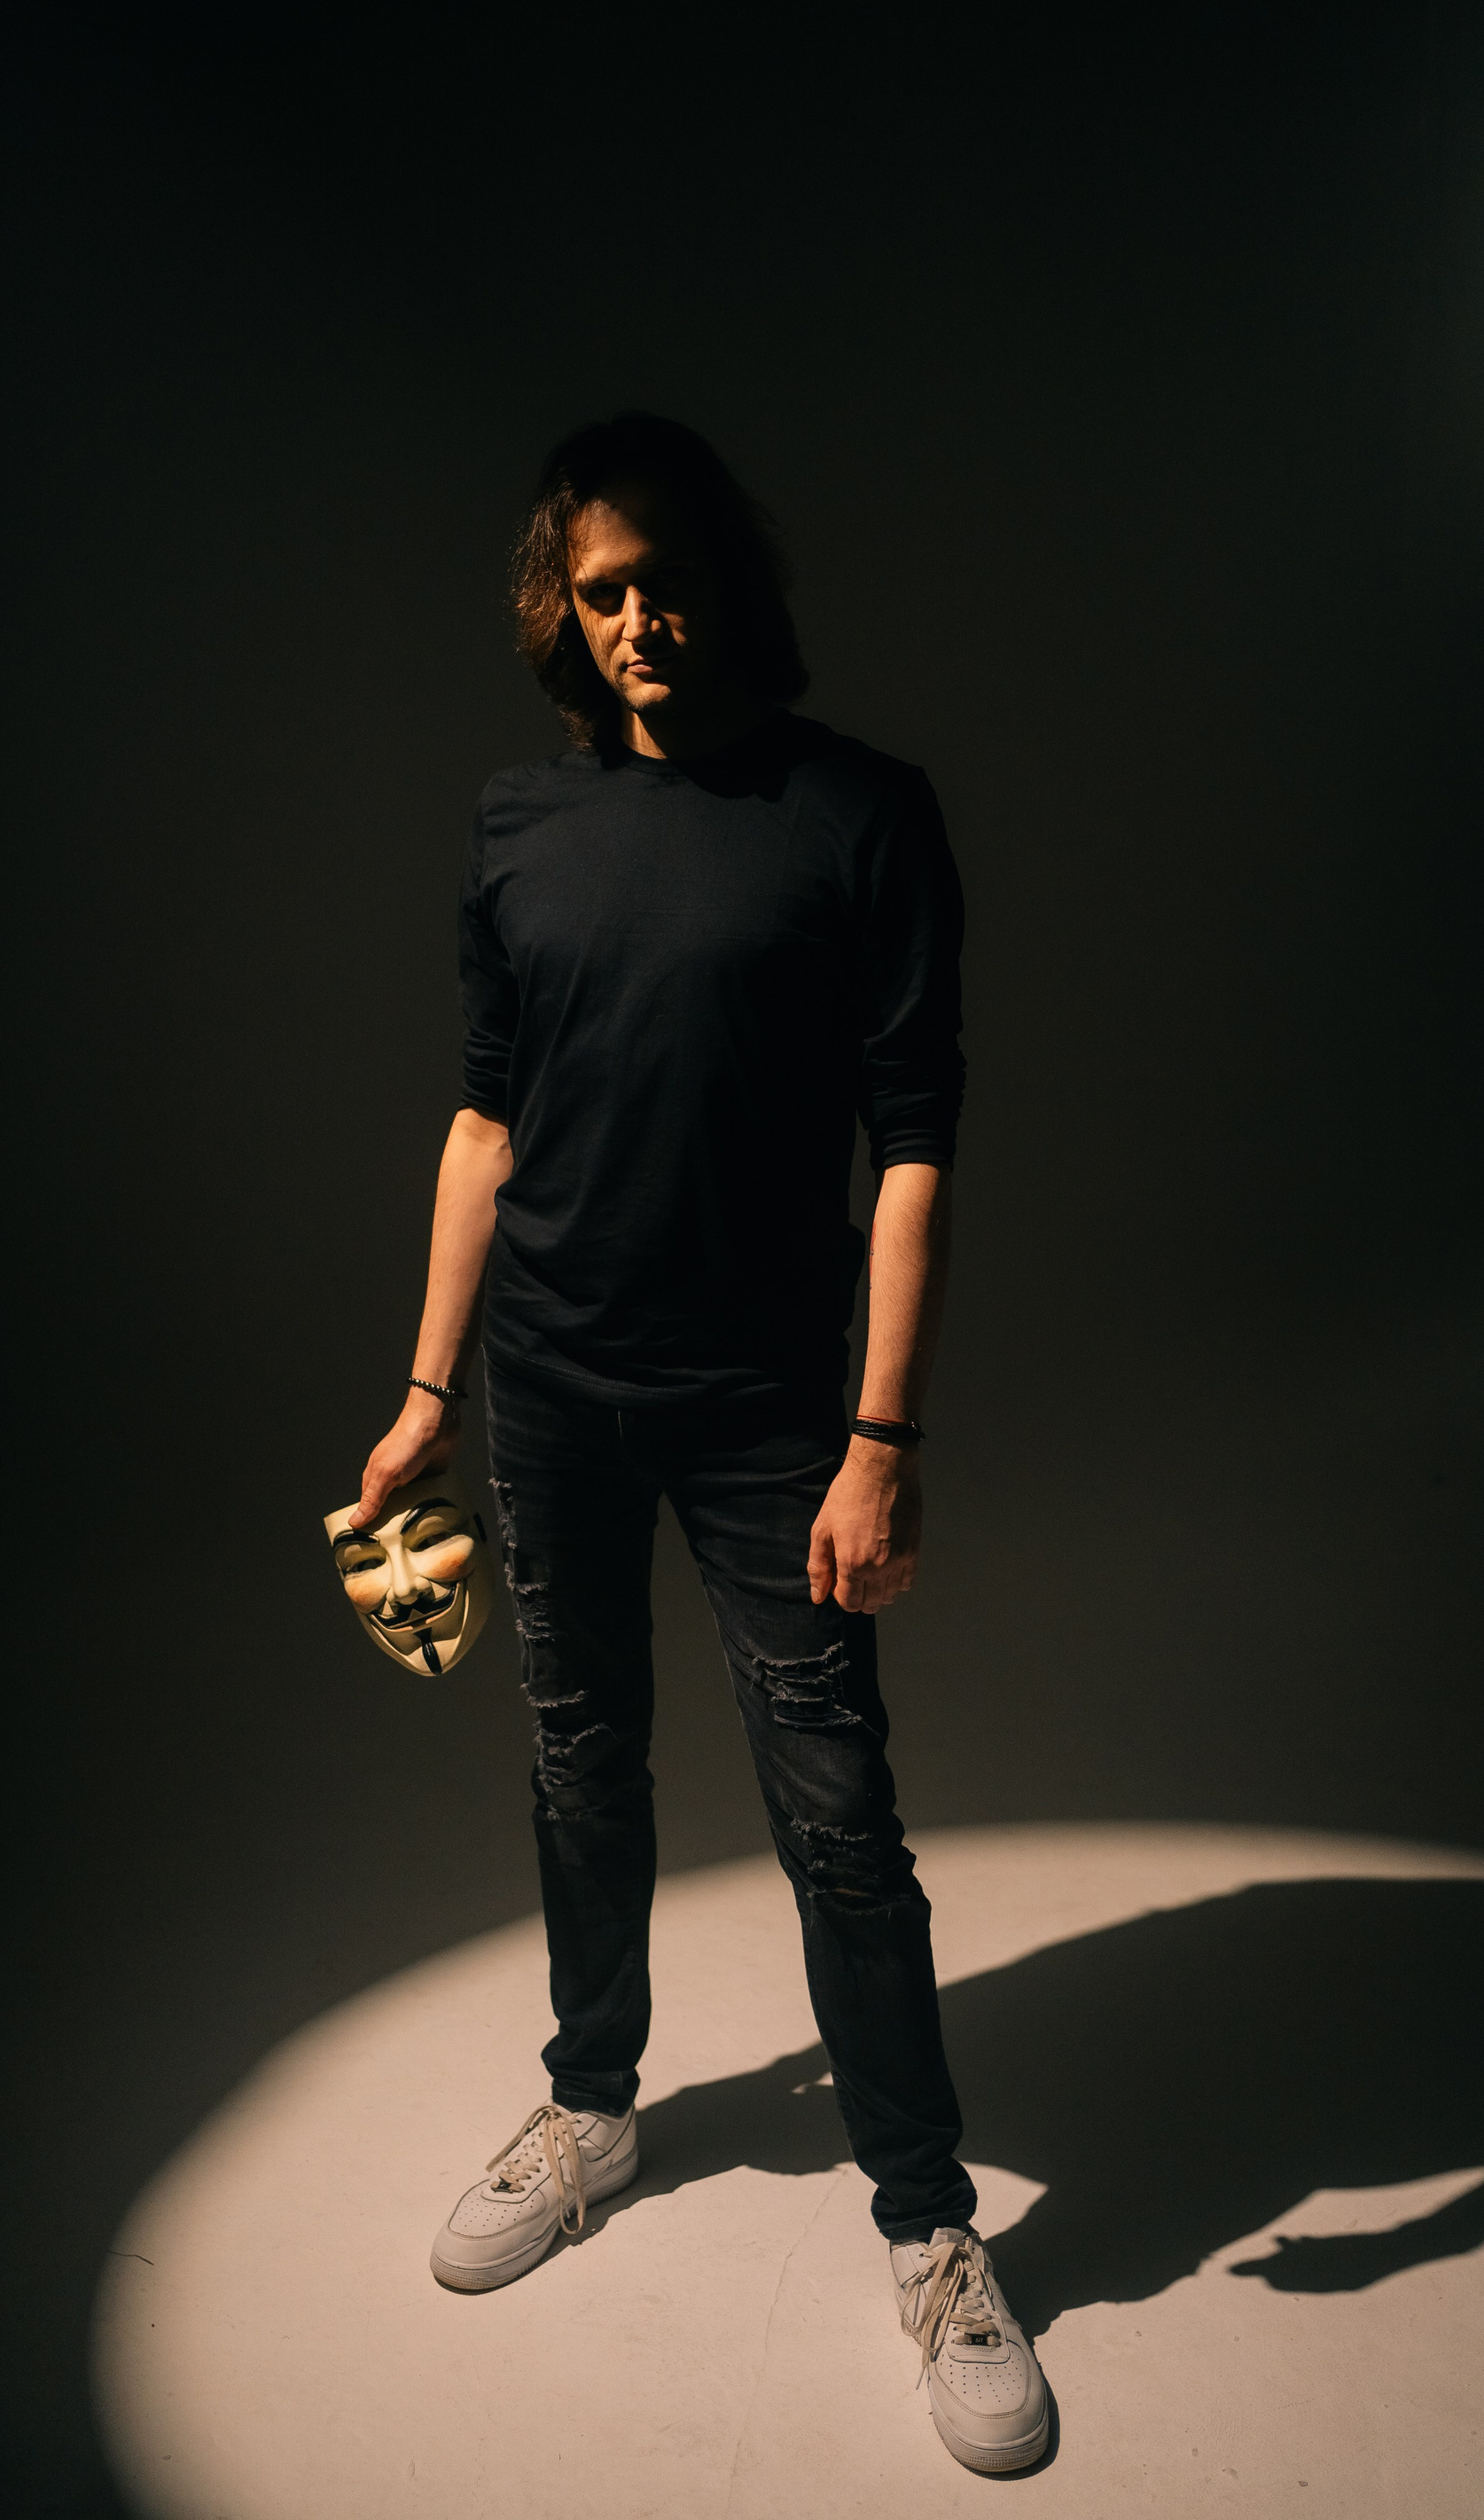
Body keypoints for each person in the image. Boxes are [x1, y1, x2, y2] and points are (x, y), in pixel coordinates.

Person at [351, 412, 1048, 2474]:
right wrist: (424, 1394)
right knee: (580, 1761)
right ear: (560, 614)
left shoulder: (859, 818)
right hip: (550, 1389)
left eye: (667, 578)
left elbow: (912, 1149)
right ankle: (593, 2107)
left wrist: (881, 1433)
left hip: (768, 1415)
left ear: (727, 584)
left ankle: (927, 2224)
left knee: (838, 1817)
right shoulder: (518, 826)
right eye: (602, 590)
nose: (639, 617)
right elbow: (486, 1120)